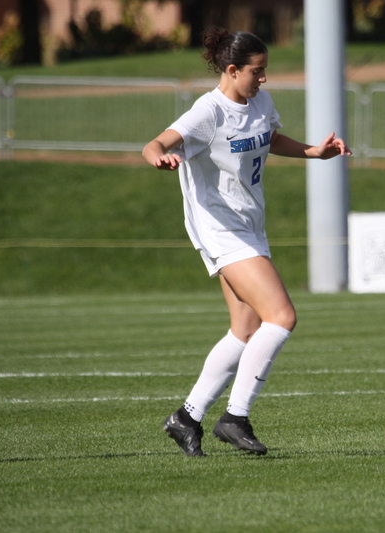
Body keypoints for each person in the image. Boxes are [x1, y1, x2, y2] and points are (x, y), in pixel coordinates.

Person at [142, 27, 351, 457]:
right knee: (282, 316)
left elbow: (270, 138)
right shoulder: (208, 112)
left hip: (250, 225)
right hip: (220, 229)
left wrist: (316, 152)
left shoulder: (260, 102)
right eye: (257, 72)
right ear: (232, 70)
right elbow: (156, 142)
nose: (264, 79)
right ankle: (235, 417)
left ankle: (187, 417)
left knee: (246, 328)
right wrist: (160, 158)